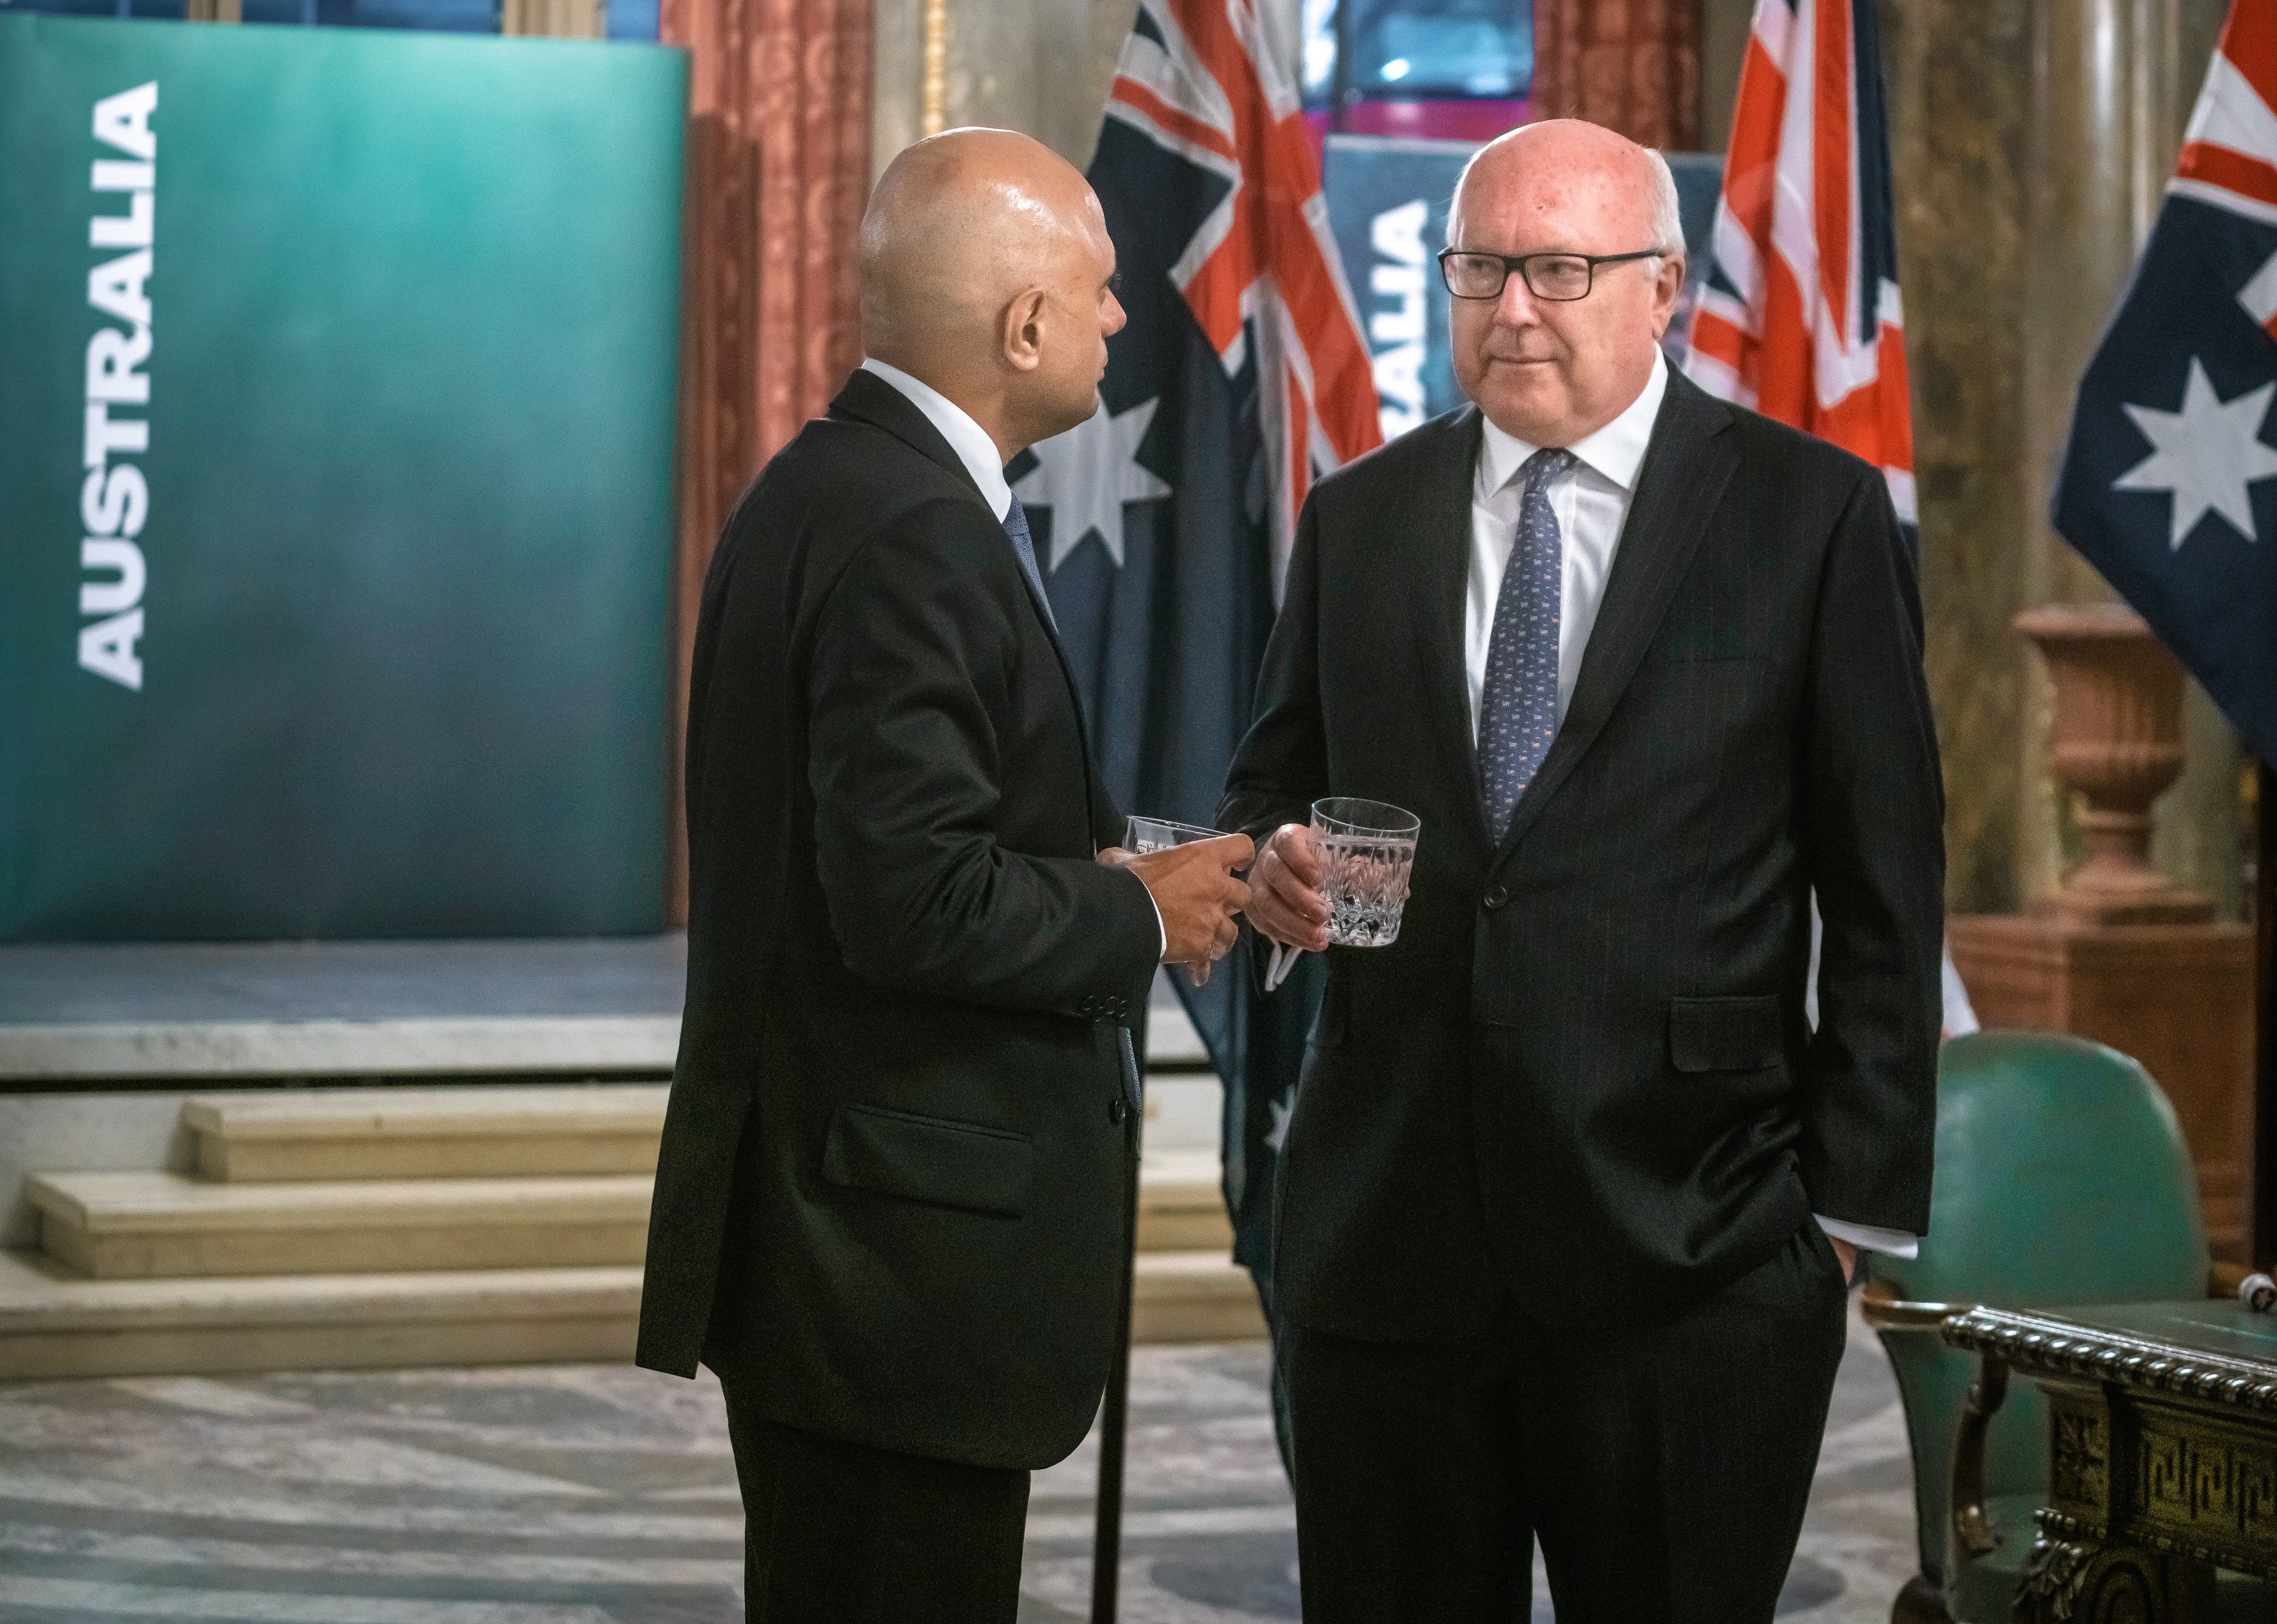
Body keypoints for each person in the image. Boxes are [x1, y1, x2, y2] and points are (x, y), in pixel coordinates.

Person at [1219, 118, 1945, 1622]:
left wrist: (1839, 1224)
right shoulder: (1358, 515)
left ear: (1662, 284)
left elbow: (1885, 884)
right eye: (1479, 269)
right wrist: (1273, 862)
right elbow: (1270, 785)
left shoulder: (1805, 514)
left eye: (1558, 268)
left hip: (1693, 1250)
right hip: (1390, 1240)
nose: (1513, 308)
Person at [636, 127, 1254, 1623]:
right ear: (1021, 323)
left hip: (855, 1243)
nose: (1121, 321)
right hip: (885, 1264)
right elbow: (908, 895)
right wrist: (1129, 911)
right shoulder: (913, 525)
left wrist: (1136, 869)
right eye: (1100, 292)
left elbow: (906, 841)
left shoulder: (843, 481)